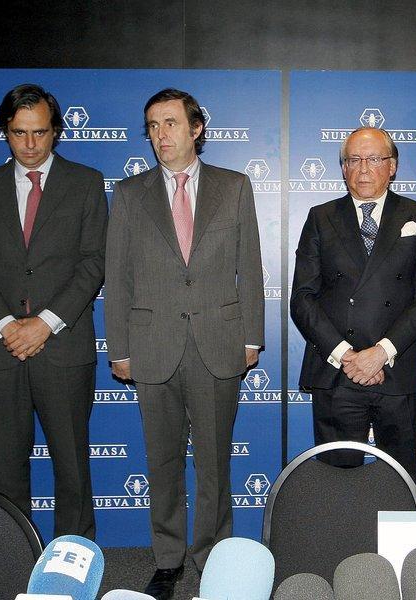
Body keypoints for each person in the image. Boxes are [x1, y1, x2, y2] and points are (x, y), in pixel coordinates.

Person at [104, 88, 263, 599]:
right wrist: (119, 348)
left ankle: (214, 557)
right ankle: (169, 558)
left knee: (215, 461)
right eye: (152, 125)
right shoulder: (129, 194)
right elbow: (118, 278)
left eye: (171, 123)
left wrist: (252, 336)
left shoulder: (234, 187)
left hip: (219, 341)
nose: (161, 135)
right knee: (163, 460)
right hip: (152, 346)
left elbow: (251, 270)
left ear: (196, 128)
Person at [0, 83, 107, 539]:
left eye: (39, 132)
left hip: (63, 346)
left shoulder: (85, 183)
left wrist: (44, 323)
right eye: (19, 133)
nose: (29, 144)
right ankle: (12, 556)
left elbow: (94, 262)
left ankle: (74, 565)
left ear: (56, 131)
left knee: (72, 469)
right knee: (3, 466)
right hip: (2, 350)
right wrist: (7, 326)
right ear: (5, 130)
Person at [290, 126, 416, 482]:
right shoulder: (320, 217)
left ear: (393, 166)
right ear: (343, 168)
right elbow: (303, 298)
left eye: (374, 159)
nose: (363, 168)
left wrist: (381, 352)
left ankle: (402, 542)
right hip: (337, 373)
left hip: (396, 369)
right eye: (353, 160)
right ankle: (342, 542)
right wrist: (347, 355)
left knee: (399, 482)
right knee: (337, 484)